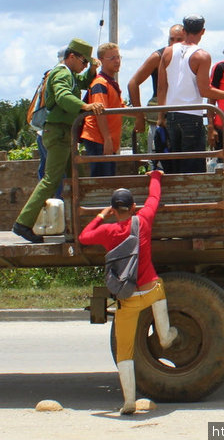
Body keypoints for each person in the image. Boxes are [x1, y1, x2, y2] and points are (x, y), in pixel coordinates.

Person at [78, 170, 178, 415]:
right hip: (152, 289)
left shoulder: (108, 232)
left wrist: (101, 216)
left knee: (125, 351)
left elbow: (83, 237)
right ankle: (165, 336)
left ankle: (129, 401)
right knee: (160, 297)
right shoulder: (142, 220)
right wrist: (155, 176)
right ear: (134, 206)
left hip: (128, 297)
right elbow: (154, 198)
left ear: (114, 210)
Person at [12, 38, 105, 243]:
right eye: (84, 62)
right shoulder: (61, 73)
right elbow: (63, 96)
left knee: (74, 176)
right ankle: (23, 223)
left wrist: (91, 71)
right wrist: (86, 107)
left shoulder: (70, 74)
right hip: (58, 133)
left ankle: (77, 222)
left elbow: (83, 83)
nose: (85, 66)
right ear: (71, 57)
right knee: (51, 179)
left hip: (64, 133)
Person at [157, 15, 224, 174]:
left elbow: (161, 87)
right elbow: (205, 91)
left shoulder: (167, 52)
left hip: (172, 114)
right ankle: (192, 198)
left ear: (184, 30)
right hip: (192, 115)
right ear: (203, 31)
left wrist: (161, 115)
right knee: (193, 166)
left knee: (176, 163)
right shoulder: (202, 55)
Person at [128, 24, 185, 172]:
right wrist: (139, 116)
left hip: (184, 118)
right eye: (172, 39)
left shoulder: (193, 56)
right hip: (159, 122)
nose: (175, 43)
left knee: (184, 163)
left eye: (179, 39)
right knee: (158, 165)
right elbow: (133, 83)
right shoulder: (158, 57)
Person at [80, 42, 125, 177]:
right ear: (101, 61)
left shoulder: (110, 82)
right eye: (112, 58)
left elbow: (120, 108)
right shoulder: (100, 83)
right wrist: (107, 139)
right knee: (102, 181)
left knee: (107, 178)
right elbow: (100, 112)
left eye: (118, 57)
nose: (117, 61)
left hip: (104, 139)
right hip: (98, 139)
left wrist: (141, 115)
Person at [36, 47, 67, 198]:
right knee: (57, 173)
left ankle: (46, 205)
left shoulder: (49, 74)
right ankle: (59, 207)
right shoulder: (61, 75)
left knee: (46, 172)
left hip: (42, 130)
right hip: (53, 131)